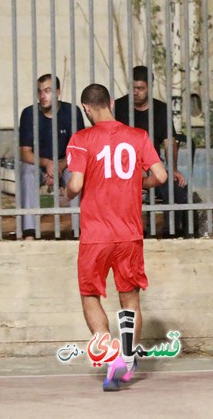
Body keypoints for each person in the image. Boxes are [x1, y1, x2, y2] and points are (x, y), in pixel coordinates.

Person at [65, 83, 167, 391]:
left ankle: (112, 356)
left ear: (86, 108)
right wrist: (138, 182)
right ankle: (127, 356)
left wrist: (66, 191)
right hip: (129, 232)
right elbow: (161, 176)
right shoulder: (138, 137)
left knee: (90, 295)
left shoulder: (82, 139)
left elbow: (76, 183)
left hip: (96, 234)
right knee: (130, 298)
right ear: (111, 102)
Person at [114, 65, 187, 237]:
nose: (135, 92)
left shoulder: (161, 109)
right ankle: (132, 232)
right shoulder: (119, 107)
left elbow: (169, 142)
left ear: (149, 87)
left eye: (140, 88)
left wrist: (173, 168)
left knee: (175, 187)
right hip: (123, 164)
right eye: (132, 88)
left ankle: (172, 233)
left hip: (152, 163)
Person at [19, 74, 85, 240]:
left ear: (57, 92)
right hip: (38, 164)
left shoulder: (72, 112)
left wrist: (59, 166)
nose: (42, 96)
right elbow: (25, 152)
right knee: (27, 173)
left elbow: (79, 149)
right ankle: (29, 232)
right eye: (40, 91)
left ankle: (81, 231)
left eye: (47, 91)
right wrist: (48, 164)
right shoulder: (29, 113)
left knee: (77, 173)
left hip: (66, 162)